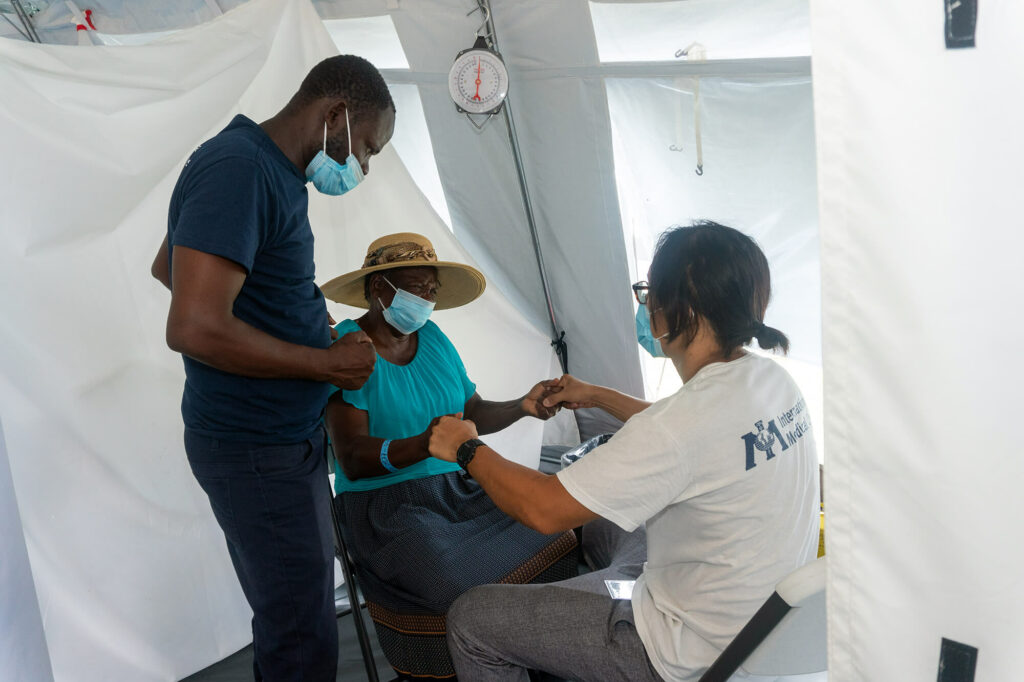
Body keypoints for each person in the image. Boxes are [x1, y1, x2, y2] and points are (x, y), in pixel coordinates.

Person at [429, 221, 821, 682]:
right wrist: (596, 396)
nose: (645, 303)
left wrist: (466, 447)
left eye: (648, 291)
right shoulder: (772, 381)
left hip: (678, 655)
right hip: (762, 636)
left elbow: (542, 508)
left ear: (671, 310)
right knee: (616, 525)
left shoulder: (679, 427)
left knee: (472, 619)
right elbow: (688, 433)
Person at [151, 55, 394, 681]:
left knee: (302, 613)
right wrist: (320, 360)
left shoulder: (273, 173)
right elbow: (192, 325)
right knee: (300, 635)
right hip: (256, 448)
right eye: (365, 149)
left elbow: (170, 268)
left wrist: (302, 325)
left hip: (283, 440)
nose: (362, 168)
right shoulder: (240, 169)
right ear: (334, 115)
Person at [320, 232, 567, 616]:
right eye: (416, 289)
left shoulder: (432, 337)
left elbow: (473, 414)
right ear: (377, 287)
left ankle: (533, 657)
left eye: (432, 291)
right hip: (388, 507)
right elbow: (351, 457)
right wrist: (425, 444)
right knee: (454, 582)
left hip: (460, 488)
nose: (426, 301)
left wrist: (523, 405)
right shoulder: (346, 348)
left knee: (552, 533)